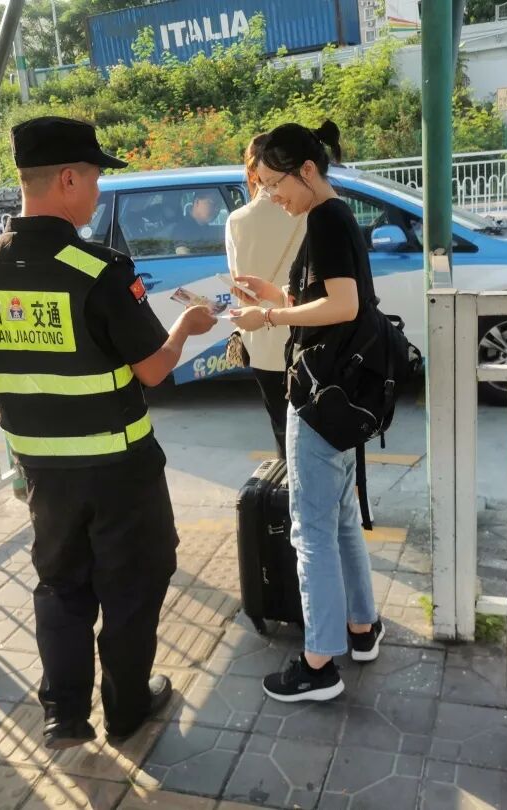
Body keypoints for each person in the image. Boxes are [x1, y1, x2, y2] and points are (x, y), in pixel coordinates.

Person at [0, 116, 217, 749]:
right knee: (132, 586)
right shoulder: (98, 268)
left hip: (42, 471)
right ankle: (127, 709)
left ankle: (64, 713)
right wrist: (186, 329)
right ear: (68, 179)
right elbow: (153, 369)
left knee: (60, 583)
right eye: (95, 178)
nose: (98, 191)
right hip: (119, 470)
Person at [231, 120, 383, 702]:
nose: (272, 196)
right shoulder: (336, 215)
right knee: (339, 518)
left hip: (319, 397)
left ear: (308, 171)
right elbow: (330, 299)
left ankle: (319, 664)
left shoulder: (323, 219)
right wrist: (278, 297)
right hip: (342, 393)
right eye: (264, 186)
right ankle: (362, 627)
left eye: (275, 184)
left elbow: (342, 306)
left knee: (311, 530)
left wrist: (269, 318)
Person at [225, 133, 306, 458]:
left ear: (251, 171)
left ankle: (287, 482)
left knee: (283, 430)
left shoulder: (237, 221)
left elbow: (239, 284)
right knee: (316, 433)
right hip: (308, 335)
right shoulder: (307, 211)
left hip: (262, 342)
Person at [173, 189, 222, 253]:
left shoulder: (206, 228)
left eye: (219, 205)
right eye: (212, 203)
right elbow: (183, 254)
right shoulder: (182, 230)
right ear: (197, 202)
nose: (217, 209)